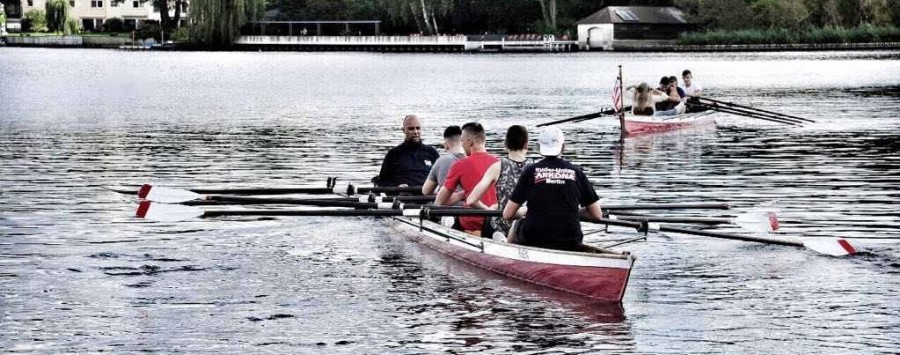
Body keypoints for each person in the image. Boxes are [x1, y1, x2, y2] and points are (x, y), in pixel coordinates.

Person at [502, 127, 603, 251]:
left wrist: (527, 211)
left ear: (540, 148)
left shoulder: (530, 171)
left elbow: (507, 214)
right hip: (570, 239)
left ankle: (510, 256)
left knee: (516, 224)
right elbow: (597, 215)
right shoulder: (577, 172)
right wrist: (569, 211)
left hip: (534, 238)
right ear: (563, 147)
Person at [466, 125, 533, 237]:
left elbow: (471, 200)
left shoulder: (497, 167)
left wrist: (489, 211)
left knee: (491, 221)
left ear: (505, 145)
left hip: (502, 227)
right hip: (526, 227)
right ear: (526, 145)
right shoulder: (536, 168)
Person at [435, 122, 498, 235]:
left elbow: (439, 203)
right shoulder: (499, 163)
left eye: (462, 141)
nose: (462, 146)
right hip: (495, 220)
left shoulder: (460, 165)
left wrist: (462, 194)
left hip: (471, 222)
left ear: (470, 141)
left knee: (442, 216)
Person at [375, 115, 439, 187]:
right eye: (411, 129)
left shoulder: (431, 152)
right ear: (403, 130)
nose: (415, 132)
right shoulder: (393, 154)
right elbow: (382, 181)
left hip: (428, 194)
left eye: (418, 128)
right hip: (403, 193)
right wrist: (396, 186)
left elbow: (442, 177)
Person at [422, 125, 465, 196]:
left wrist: (438, 192)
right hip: (470, 205)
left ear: (446, 145)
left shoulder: (441, 161)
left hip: (446, 205)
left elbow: (426, 191)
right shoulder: (472, 160)